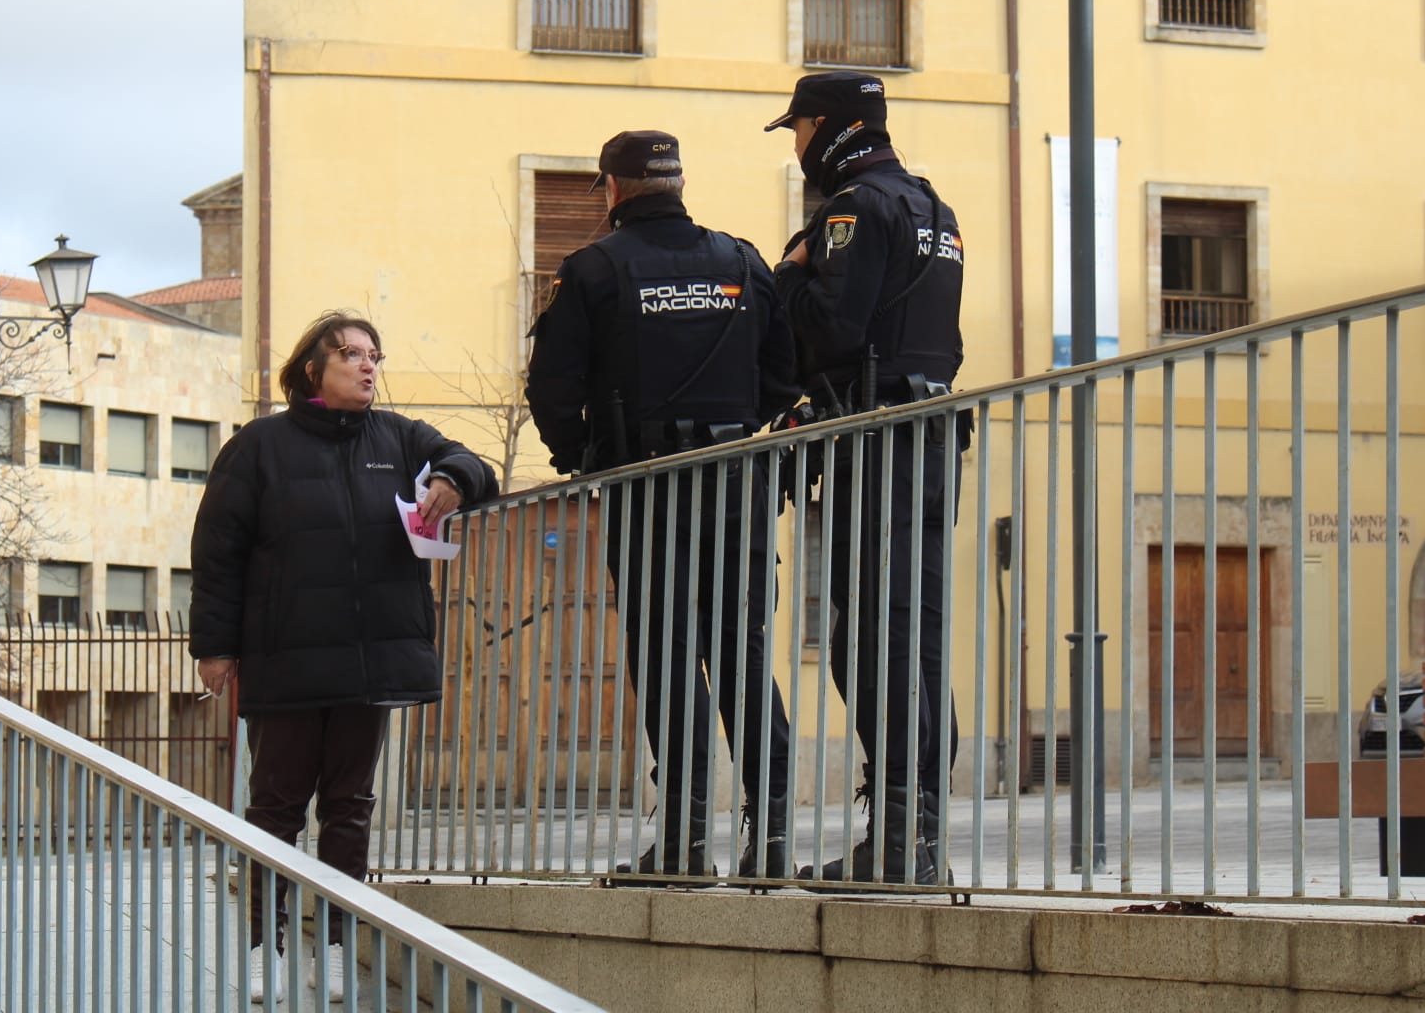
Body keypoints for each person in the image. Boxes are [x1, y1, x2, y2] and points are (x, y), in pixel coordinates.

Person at [190, 310, 495, 1000]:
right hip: (287, 659)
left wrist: (454, 477)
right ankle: (267, 947)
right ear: (312, 370)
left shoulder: (400, 437)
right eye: (351, 354)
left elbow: (477, 464)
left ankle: (332, 942)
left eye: (374, 356)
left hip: (369, 663)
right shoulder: (260, 446)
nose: (367, 367)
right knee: (275, 811)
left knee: (350, 810)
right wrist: (214, 646)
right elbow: (217, 552)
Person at [526, 129, 799, 882]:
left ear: (612, 189)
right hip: (736, 483)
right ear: (678, 182)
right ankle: (773, 838)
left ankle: (682, 845)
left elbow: (551, 390)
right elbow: (784, 376)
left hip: (647, 489)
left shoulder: (593, 270)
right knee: (743, 656)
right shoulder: (743, 260)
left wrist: (583, 459)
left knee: (669, 658)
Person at [766, 71, 966, 887]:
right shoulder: (934, 208)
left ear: (828, 126)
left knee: (869, 638)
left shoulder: (853, 210)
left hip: (872, 437)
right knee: (915, 636)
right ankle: (918, 836)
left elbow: (829, 329)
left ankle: (893, 841)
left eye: (799, 130)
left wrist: (789, 269)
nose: (799, 145)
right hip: (930, 436)